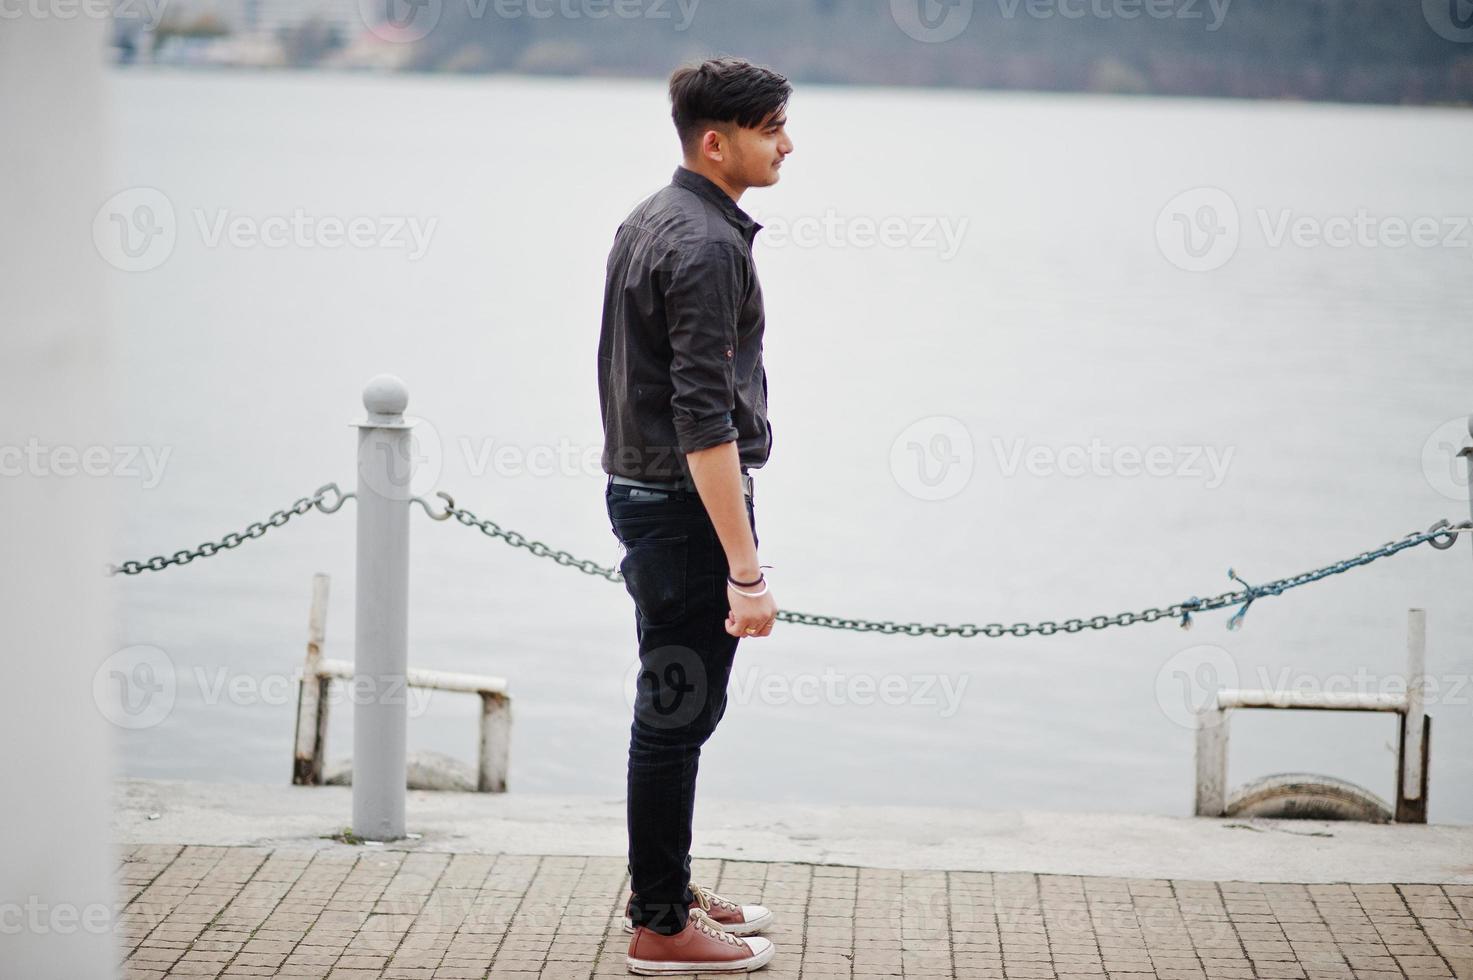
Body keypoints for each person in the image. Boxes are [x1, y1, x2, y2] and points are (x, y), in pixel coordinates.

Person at [596, 55, 794, 975]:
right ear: (716, 142)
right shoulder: (706, 243)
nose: (786, 143)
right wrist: (746, 572)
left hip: (645, 494)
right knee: (676, 711)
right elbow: (702, 418)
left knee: (677, 707)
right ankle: (662, 925)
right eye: (769, 128)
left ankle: (660, 886)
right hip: (680, 505)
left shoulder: (656, 216)